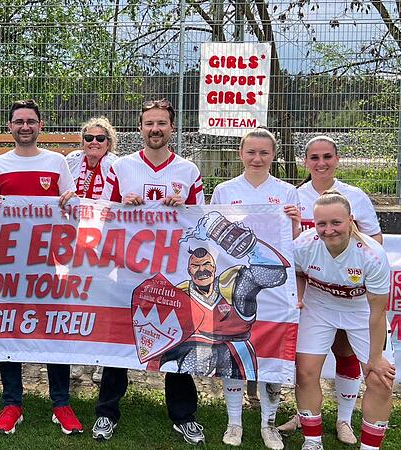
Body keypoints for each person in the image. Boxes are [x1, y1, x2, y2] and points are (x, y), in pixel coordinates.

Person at [95, 98, 205, 443]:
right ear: (140, 128)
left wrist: (185, 209)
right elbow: (102, 214)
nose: (155, 129)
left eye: (161, 123)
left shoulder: (188, 170)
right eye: (149, 123)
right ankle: (107, 412)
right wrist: (121, 207)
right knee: (120, 342)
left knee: (178, 341)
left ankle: (184, 415)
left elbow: (200, 225)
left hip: (173, 272)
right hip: (129, 270)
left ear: (172, 128)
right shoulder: (121, 167)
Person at [0, 99, 80, 435]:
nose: (25, 126)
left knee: (54, 329)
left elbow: (73, 212)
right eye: (19, 121)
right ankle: (12, 404)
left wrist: (71, 203)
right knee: (7, 329)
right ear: (9, 127)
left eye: (31, 121)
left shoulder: (56, 162)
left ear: (41, 126)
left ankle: (61, 403)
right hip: (6, 264)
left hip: (46, 263)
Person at [278, 136, 383, 445]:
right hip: (315, 294)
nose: (321, 163)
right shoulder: (294, 195)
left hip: (351, 292)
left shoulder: (355, 196)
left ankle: (344, 419)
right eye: (314, 157)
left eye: (327, 156)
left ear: (337, 159)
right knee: (306, 367)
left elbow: (374, 239)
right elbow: (291, 249)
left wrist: (344, 263)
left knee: (346, 354)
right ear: (305, 162)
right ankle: (306, 420)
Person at [209, 128, 301, 449]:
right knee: (233, 351)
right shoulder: (224, 190)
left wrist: (294, 223)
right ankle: (234, 422)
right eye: (251, 152)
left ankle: (269, 424)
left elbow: (293, 240)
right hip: (235, 286)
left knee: (272, 355)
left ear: (273, 155)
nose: (257, 159)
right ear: (241, 153)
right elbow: (213, 237)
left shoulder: (287, 192)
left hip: (275, 289)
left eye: (264, 152)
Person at [293, 190, 394, 450]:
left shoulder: (372, 255)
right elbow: (298, 272)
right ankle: (312, 441)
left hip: (361, 311)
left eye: (336, 222)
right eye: (322, 224)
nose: (329, 230)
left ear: (351, 220)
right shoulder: (303, 244)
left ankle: (370, 447)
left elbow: (378, 312)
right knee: (305, 372)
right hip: (319, 306)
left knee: (380, 379)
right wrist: (299, 297)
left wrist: (375, 359)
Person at [66, 116, 118, 384]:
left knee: (104, 300)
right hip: (75, 238)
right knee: (77, 296)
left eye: (100, 138)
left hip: (105, 239)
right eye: (88, 138)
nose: (93, 142)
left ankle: (102, 359)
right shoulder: (72, 161)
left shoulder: (117, 165)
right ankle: (78, 356)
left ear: (109, 142)